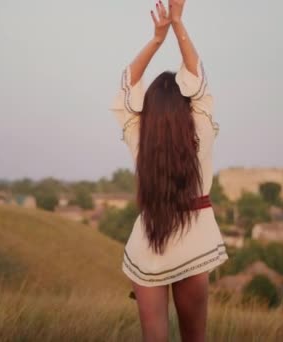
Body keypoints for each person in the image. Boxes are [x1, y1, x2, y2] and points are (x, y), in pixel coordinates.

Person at [110, 1, 228, 341]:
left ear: (149, 109)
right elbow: (198, 79)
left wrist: (155, 40)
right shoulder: (200, 130)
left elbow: (125, 89)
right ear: (185, 106)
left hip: (147, 247)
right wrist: (176, 24)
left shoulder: (139, 136)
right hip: (195, 244)